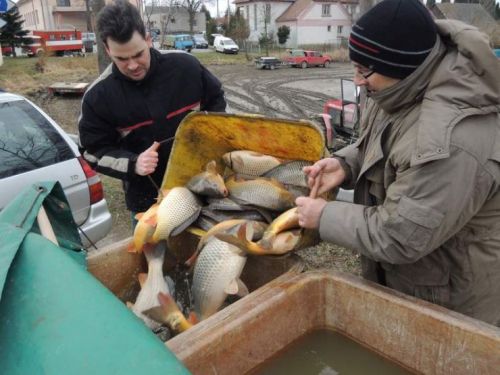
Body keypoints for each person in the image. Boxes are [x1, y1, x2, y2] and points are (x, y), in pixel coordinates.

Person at [296, 0, 500, 326]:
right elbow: (385, 142)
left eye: (364, 71)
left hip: (452, 302)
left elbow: (401, 236)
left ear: (405, 67)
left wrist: (323, 216)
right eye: (354, 66)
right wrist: (346, 164)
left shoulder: (452, 139)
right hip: (409, 280)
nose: (357, 81)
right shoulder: (398, 88)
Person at [78, 0, 226, 218]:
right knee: (149, 251)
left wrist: (210, 136)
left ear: (148, 39)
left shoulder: (186, 67)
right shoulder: (98, 97)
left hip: (204, 188)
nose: (132, 65)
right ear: (108, 50)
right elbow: (92, 152)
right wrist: (133, 163)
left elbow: (217, 102)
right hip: (148, 202)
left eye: (138, 54)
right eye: (121, 58)